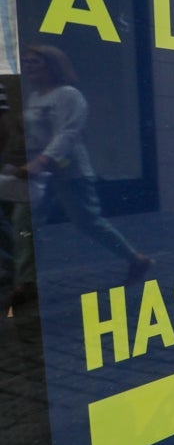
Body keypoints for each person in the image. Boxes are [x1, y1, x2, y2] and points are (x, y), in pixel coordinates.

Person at [19, 44, 153, 285]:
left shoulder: (68, 95)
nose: (28, 66)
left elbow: (68, 133)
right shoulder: (34, 97)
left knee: (87, 221)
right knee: (30, 222)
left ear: (52, 66)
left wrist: (42, 160)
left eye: (34, 62)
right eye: (26, 62)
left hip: (68, 170)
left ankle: (136, 259)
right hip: (41, 172)